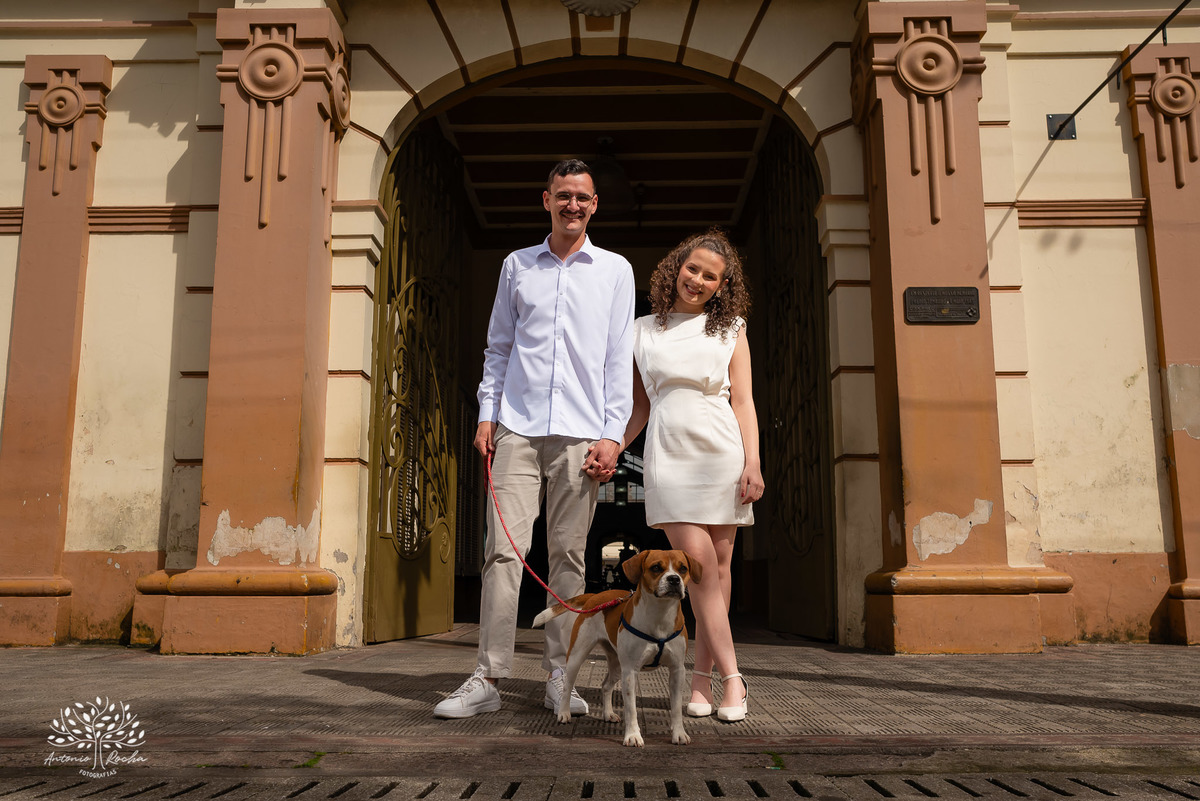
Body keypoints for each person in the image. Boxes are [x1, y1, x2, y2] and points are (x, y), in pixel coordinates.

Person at [433, 159, 635, 719]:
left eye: (584, 198)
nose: (574, 205)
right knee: (503, 553)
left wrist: (612, 438)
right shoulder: (517, 266)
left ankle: (558, 676)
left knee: (568, 556)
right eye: (564, 195)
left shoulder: (616, 271)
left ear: (595, 206)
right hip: (516, 430)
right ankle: (489, 676)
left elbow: (619, 360)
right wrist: (486, 416)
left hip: (580, 435)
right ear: (545, 199)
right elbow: (498, 348)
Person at [601, 229, 763, 723]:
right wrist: (613, 449)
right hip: (669, 454)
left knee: (719, 567)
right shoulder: (640, 330)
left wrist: (753, 463)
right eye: (693, 269)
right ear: (677, 267)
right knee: (700, 569)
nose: (698, 280)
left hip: (722, 452)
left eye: (710, 276)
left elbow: (743, 401)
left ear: (722, 285)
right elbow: (640, 405)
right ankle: (735, 680)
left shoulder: (731, 327)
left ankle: (699, 684)